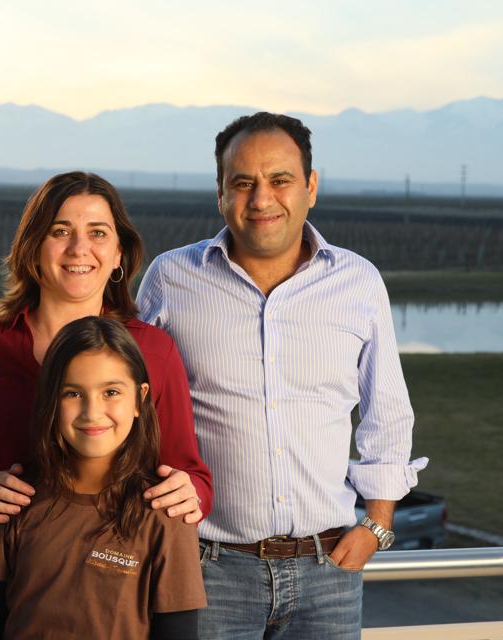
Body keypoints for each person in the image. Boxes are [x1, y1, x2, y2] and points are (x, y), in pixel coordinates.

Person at [137, 112, 428, 639]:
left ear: (311, 187)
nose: (261, 199)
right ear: (220, 193)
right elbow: (134, 412)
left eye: (280, 180)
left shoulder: (358, 282)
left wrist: (377, 525)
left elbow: (387, 412)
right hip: (209, 570)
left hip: (329, 572)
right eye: (243, 183)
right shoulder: (171, 278)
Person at [0, 171, 212, 634]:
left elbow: (190, 475)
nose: (79, 249)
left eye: (97, 233)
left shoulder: (153, 351)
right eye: (60, 231)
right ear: (33, 247)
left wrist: (189, 493)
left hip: (115, 596)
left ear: (119, 254)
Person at [0, 316, 207, 639]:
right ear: (51, 399)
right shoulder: (17, 498)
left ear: (140, 398)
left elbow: (179, 633)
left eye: (111, 392)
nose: (92, 411)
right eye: (73, 394)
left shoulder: (166, 514)